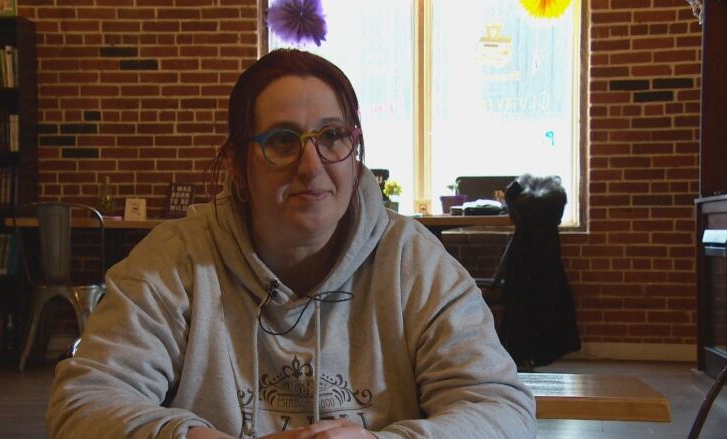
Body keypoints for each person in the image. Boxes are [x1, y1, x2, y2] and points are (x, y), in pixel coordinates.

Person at [46, 49, 536, 438]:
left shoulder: (414, 262)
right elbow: (83, 405)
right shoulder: (175, 262)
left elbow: (501, 409)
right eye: (282, 141)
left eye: (332, 136)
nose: (311, 165)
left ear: (354, 148)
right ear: (238, 164)